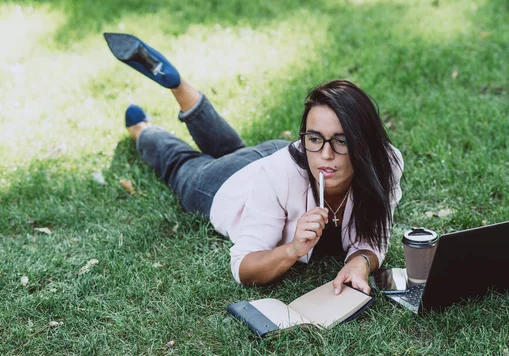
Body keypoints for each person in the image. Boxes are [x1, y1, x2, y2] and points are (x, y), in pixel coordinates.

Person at [104, 33, 404, 294]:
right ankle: (143, 130)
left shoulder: (385, 163)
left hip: (267, 161)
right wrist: (293, 249)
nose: (325, 155)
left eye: (342, 141)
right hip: (227, 185)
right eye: (315, 138)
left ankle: (183, 89)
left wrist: (360, 263)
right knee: (182, 165)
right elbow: (244, 266)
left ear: (364, 142)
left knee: (233, 149)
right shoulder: (281, 172)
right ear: (305, 138)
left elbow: (373, 236)